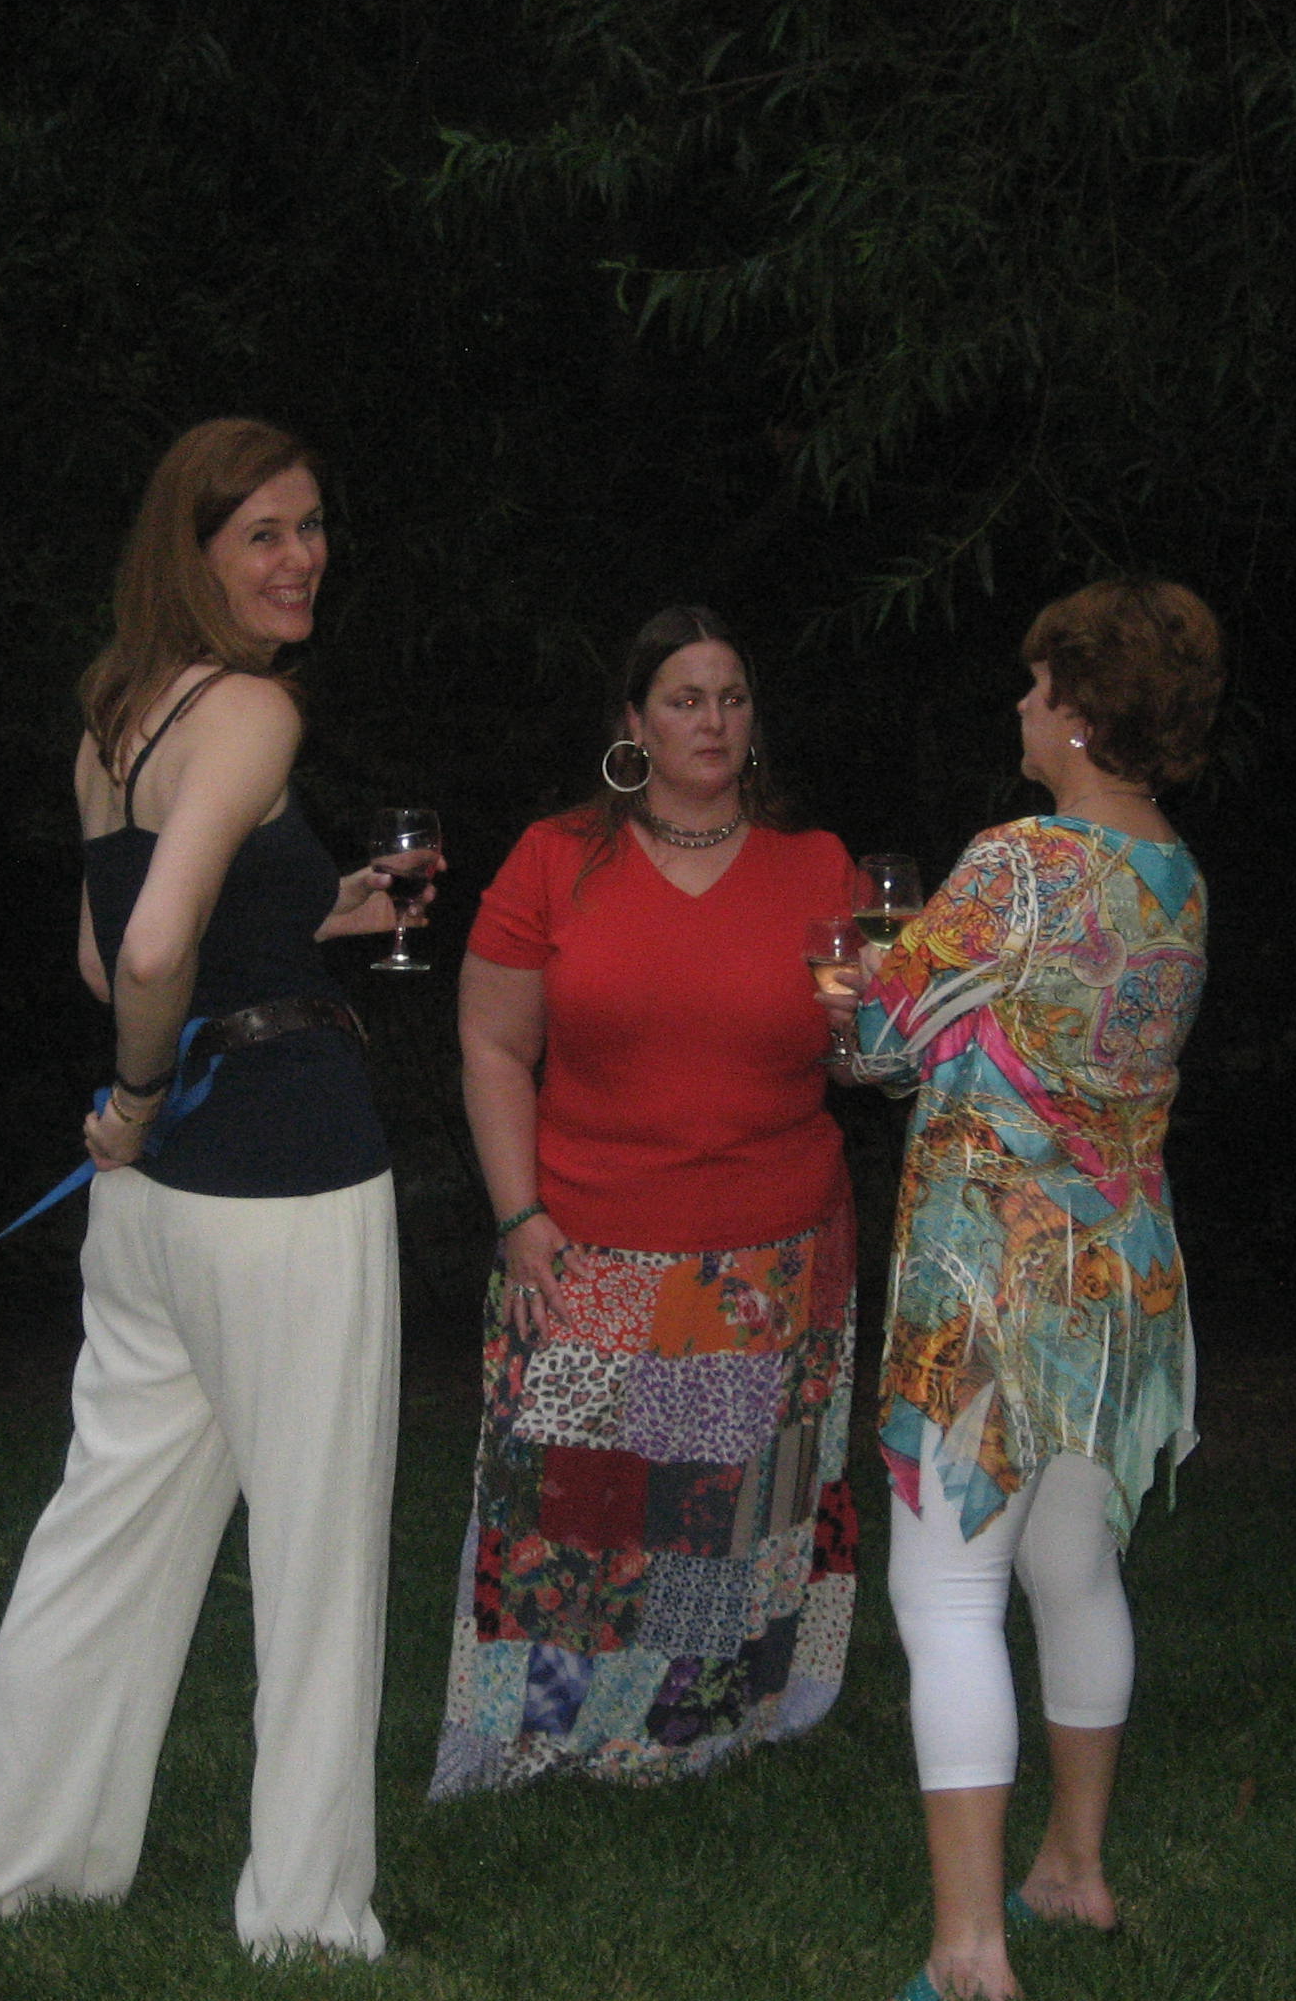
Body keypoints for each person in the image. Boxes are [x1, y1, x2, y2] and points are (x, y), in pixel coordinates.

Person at [0, 418, 421, 1959]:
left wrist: (313, 920)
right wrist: (139, 1094)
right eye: (262, 532)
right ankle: (305, 1917)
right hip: (280, 1177)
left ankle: (16, 1874)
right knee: (318, 1554)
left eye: (312, 525)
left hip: (155, 1210)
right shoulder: (255, 712)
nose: (302, 557)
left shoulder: (117, 718)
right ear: (193, 552)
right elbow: (146, 956)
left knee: (108, 1530)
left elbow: (115, 951)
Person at [843, 578, 1223, 2001]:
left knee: (946, 1596)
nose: (1018, 702)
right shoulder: (1179, 876)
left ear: (1077, 709)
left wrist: (860, 982)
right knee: (1075, 1570)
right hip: (1118, 1287)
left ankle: (968, 1954)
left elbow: (885, 1045)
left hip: (988, 1282)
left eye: (1035, 683)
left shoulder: (1017, 863)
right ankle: (1070, 1867)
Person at [429, 605, 864, 1797]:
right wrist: (519, 1217)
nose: (711, 721)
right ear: (634, 721)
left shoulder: (816, 867)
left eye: (731, 698)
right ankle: (542, 1733)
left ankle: (698, 1733)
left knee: (722, 1522)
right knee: (568, 1513)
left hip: (769, 1260)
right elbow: (490, 1046)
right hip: (586, 1248)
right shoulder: (554, 858)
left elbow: (857, 1063)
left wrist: (876, 1014)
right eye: (683, 699)